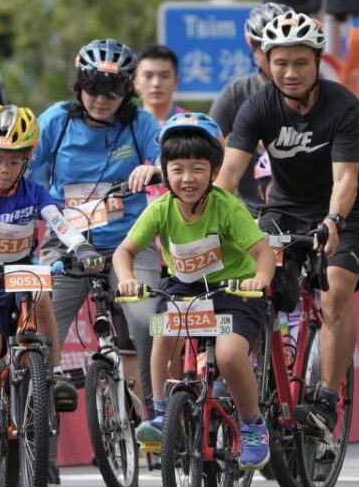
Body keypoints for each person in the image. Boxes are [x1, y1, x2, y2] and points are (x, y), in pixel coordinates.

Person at [214, 11, 359, 451]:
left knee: (336, 291)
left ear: (318, 61)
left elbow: (345, 180)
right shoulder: (258, 106)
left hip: (347, 209)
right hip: (285, 206)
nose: (289, 72)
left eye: (300, 62)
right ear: (266, 61)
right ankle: (246, 373)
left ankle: (326, 398)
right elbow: (229, 174)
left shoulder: (343, 106)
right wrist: (205, 219)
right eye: (280, 62)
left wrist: (333, 223)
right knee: (253, 282)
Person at [113, 112, 275, 470]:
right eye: (177, 168)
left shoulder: (228, 207)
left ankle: (252, 425)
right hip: (182, 290)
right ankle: (160, 414)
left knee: (231, 356)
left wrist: (259, 281)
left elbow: (264, 255)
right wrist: (126, 277)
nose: (187, 178)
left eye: (198, 168)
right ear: (164, 171)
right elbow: (123, 252)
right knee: (162, 339)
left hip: (234, 293)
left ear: (215, 172)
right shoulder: (160, 210)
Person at [0, 104, 102, 470]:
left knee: (41, 289)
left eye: (14, 162)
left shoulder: (35, 193)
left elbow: (60, 223)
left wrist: (82, 247)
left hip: (23, 274)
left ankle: (57, 374)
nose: (4, 169)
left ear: (28, 159)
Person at [29, 39, 162, 417]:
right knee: (41, 332)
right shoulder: (56, 119)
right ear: (79, 83)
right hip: (67, 243)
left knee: (146, 321)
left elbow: (170, 158)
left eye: (113, 90)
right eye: (93, 88)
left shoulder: (139, 122)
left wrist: (153, 168)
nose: (101, 99)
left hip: (128, 245)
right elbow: (31, 182)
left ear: (127, 89)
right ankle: (41, 439)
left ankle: (159, 416)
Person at [209, 2, 292, 215]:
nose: (275, 58)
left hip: (307, 210)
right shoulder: (236, 93)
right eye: (265, 49)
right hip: (251, 212)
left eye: (281, 48)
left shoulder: (318, 91)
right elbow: (206, 146)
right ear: (251, 45)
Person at [134, 44, 187, 124]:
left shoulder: (191, 124)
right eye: (148, 76)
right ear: (135, 81)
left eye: (164, 76)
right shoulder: (125, 127)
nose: (156, 83)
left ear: (176, 81)